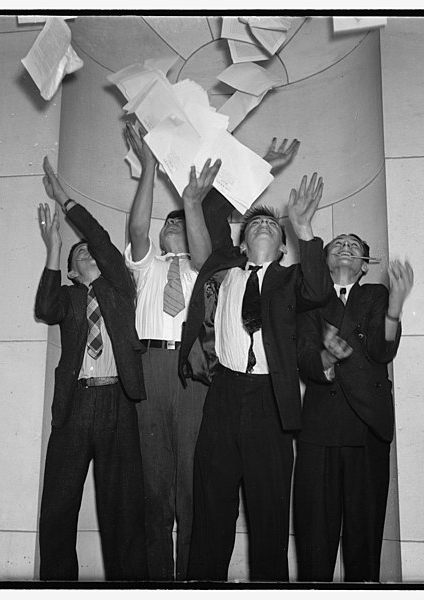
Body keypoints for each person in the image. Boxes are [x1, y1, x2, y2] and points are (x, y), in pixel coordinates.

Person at [123, 123, 300, 581]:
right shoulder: (184, 269)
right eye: (172, 223)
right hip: (183, 379)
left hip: (236, 389)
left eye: (271, 225)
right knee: (180, 493)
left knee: (234, 503)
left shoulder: (263, 276)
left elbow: (224, 215)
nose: (175, 225)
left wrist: (261, 169)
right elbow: (170, 227)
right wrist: (166, 180)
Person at [178, 173, 333, 582]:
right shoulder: (223, 271)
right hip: (224, 394)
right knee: (212, 506)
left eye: (272, 226)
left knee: (269, 512)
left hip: (271, 400)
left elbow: (319, 291)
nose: (263, 226)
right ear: (241, 243)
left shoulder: (291, 279)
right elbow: (203, 233)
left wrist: (303, 228)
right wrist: (196, 202)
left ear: (283, 247)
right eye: (254, 226)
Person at [34, 157, 147, 581]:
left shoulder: (119, 288)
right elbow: (44, 309)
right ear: (71, 269)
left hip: (118, 401)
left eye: (92, 252)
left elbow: (98, 238)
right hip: (76, 406)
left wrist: (64, 200)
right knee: (59, 505)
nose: (89, 254)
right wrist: (53, 250)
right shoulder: (66, 297)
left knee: (123, 507)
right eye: (79, 254)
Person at [293, 234, 414, 582]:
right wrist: (326, 356)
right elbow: (303, 359)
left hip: (367, 427)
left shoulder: (376, 296)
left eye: (354, 246)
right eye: (337, 244)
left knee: (364, 540)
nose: (345, 246)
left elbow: (380, 351)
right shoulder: (309, 302)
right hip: (320, 428)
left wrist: (395, 307)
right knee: (314, 539)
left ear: (365, 266)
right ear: (324, 261)